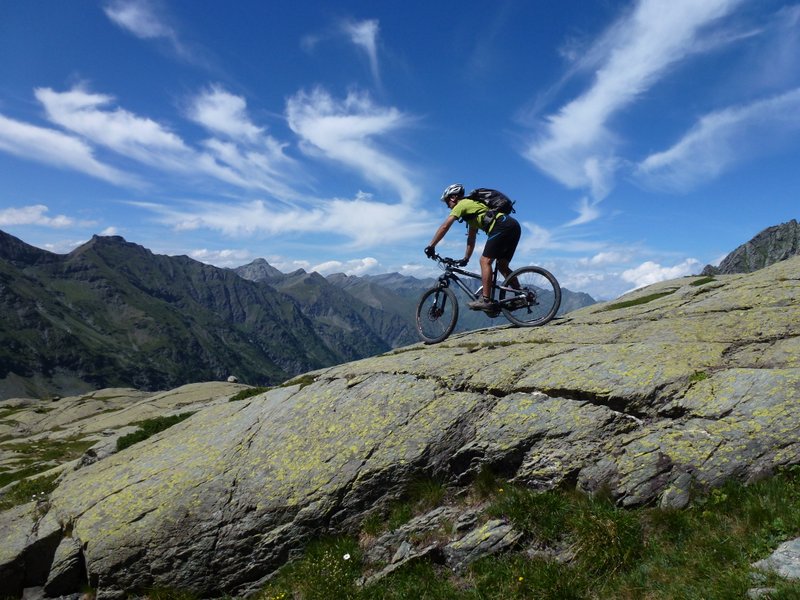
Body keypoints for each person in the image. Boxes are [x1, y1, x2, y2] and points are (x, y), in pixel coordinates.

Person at [424, 183, 521, 311]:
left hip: (501, 226)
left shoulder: (461, 205)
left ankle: (486, 300)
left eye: (447, 201)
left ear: (453, 197)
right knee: (502, 265)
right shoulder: (472, 210)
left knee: (484, 261)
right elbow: (471, 238)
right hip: (512, 226)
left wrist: (431, 246)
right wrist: (466, 258)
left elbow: (445, 226)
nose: (447, 205)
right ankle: (521, 296)